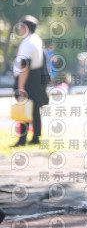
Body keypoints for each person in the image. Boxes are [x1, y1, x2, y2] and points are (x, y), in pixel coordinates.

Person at [12, 15, 50, 147]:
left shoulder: (28, 42)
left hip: (28, 79)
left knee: (25, 107)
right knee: (34, 109)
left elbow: (25, 65)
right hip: (36, 78)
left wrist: (21, 85)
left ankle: (22, 139)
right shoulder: (36, 39)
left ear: (26, 27)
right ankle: (35, 137)